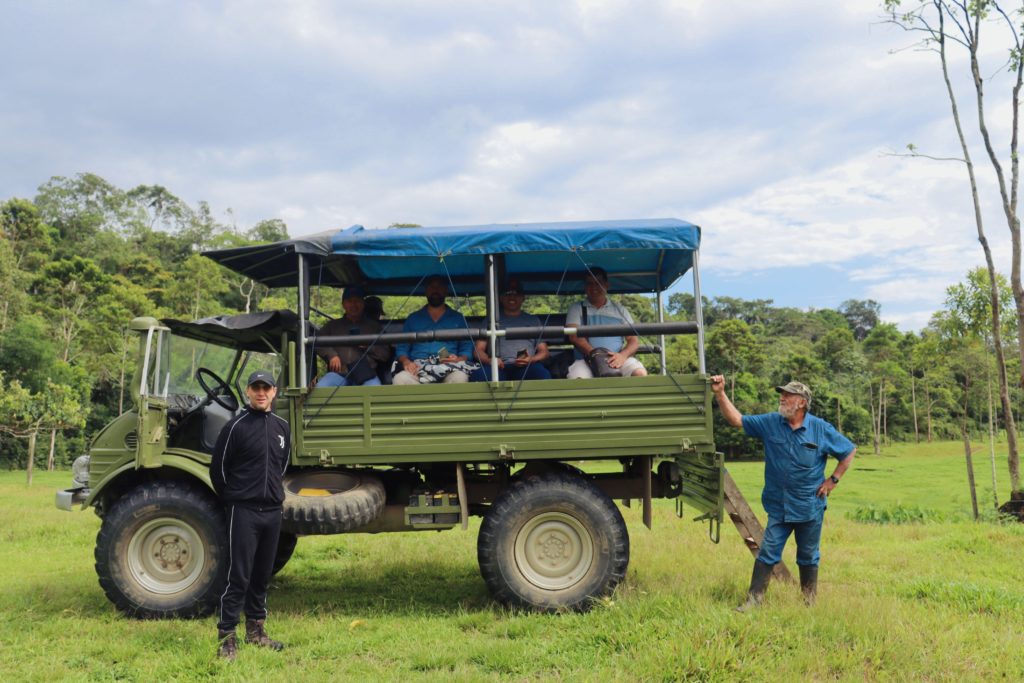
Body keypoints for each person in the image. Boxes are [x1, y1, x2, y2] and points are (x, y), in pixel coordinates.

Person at [710, 376, 855, 610]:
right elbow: (736, 420)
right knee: (768, 552)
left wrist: (833, 480)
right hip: (779, 506)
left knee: (808, 556)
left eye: (788, 395)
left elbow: (848, 451)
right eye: (782, 394)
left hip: (809, 506)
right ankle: (753, 601)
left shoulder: (820, 429)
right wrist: (720, 393)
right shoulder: (771, 422)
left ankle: (808, 603)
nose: (782, 398)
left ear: (802, 403)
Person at [210, 371, 290, 660]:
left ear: (274, 392)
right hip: (243, 511)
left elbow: (282, 466)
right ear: (247, 391)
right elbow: (218, 471)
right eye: (256, 388)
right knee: (238, 575)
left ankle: (256, 631)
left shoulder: (282, 427)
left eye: (266, 388)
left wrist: (270, 494)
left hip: (272, 512)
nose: (261, 392)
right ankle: (227, 637)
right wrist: (236, 498)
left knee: (261, 575)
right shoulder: (235, 427)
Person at [392, 275, 478, 385]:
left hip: (450, 367)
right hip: (418, 368)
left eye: (439, 287)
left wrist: (458, 359)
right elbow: (402, 348)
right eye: (431, 287)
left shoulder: (458, 318)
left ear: (446, 291)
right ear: (426, 291)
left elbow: (467, 348)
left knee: (460, 378)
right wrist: (407, 362)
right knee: (400, 379)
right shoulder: (413, 318)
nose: (435, 290)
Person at [565, 266, 647, 378]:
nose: (594, 287)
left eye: (598, 283)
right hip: (586, 361)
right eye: (589, 283)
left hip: (617, 359)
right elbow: (573, 336)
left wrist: (622, 356)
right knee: (578, 379)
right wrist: (597, 356)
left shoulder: (620, 309)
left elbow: (633, 341)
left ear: (606, 285)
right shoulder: (576, 308)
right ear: (585, 287)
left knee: (639, 373)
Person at [469, 277, 551, 382]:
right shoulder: (490, 320)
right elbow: (478, 350)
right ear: (501, 298)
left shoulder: (533, 320)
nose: (512, 297)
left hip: (526, 367)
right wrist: (490, 360)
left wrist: (530, 359)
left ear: (523, 298)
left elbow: (544, 352)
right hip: (497, 367)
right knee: (478, 376)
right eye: (508, 293)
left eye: (516, 294)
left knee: (542, 375)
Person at [315, 286, 389, 387]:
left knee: (375, 392)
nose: (354, 305)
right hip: (338, 374)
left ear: (363, 304)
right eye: (350, 301)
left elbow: (385, 354)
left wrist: (369, 347)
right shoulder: (332, 325)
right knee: (321, 388)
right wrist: (331, 354)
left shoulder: (374, 327)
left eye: (357, 301)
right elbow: (317, 341)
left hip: (365, 375)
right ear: (343, 304)